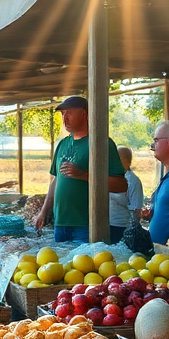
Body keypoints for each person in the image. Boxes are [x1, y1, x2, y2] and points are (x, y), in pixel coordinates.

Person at [33, 96, 128, 243]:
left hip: (87, 225)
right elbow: (56, 180)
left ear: (84, 114)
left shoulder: (101, 143)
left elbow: (121, 185)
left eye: (69, 113)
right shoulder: (63, 144)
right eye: (62, 114)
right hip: (61, 223)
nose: (65, 119)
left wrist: (84, 175)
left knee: (85, 265)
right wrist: (44, 211)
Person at [109, 145, 147, 243]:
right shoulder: (110, 177)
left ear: (127, 161)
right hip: (105, 225)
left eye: (117, 157)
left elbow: (136, 210)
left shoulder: (133, 181)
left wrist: (131, 231)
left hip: (121, 227)